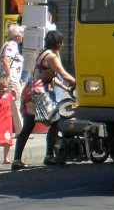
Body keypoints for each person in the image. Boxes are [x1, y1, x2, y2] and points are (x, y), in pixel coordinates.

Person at [12, 30, 75, 170]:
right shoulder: (51, 56)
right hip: (39, 93)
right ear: (58, 43)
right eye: (62, 42)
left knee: (28, 126)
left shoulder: (42, 54)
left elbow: (48, 76)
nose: (63, 44)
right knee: (56, 121)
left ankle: (16, 160)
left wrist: (65, 88)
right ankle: (49, 156)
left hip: (30, 91)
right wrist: (76, 83)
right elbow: (63, 74)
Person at [0, 23, 25, 134]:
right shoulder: (12, 45)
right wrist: (9, 76)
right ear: (17, 35)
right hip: (9, 79)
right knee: (16, 104)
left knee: (2, 105)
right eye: (22, 34)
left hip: (8, 78)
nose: (23, 36)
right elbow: (6, 59)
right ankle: (21, 132)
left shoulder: (8, 44)